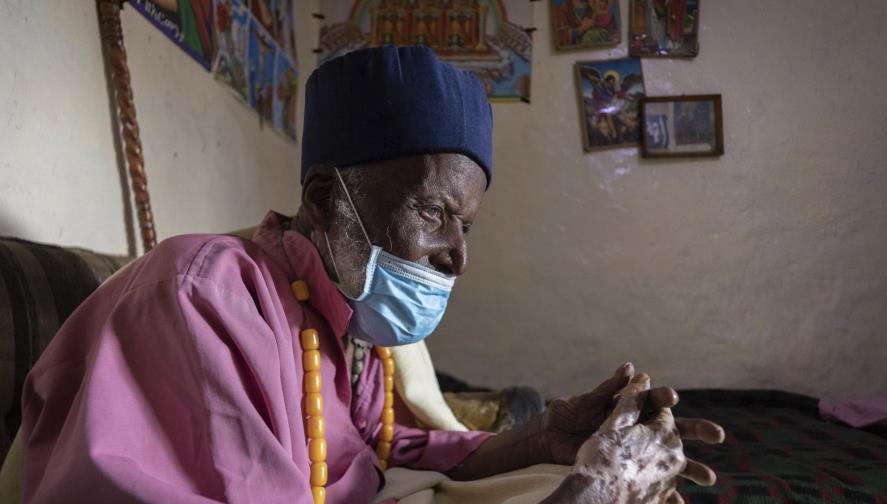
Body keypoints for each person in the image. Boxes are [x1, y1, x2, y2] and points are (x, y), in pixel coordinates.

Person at [19, 46, 723, 503]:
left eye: (466, 224)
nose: (458, 256)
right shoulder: (202, 301)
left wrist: (543, 437)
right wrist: (589, 497)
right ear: (326, 199)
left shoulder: (337, 312)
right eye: (433, 211)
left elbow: (388, 448)